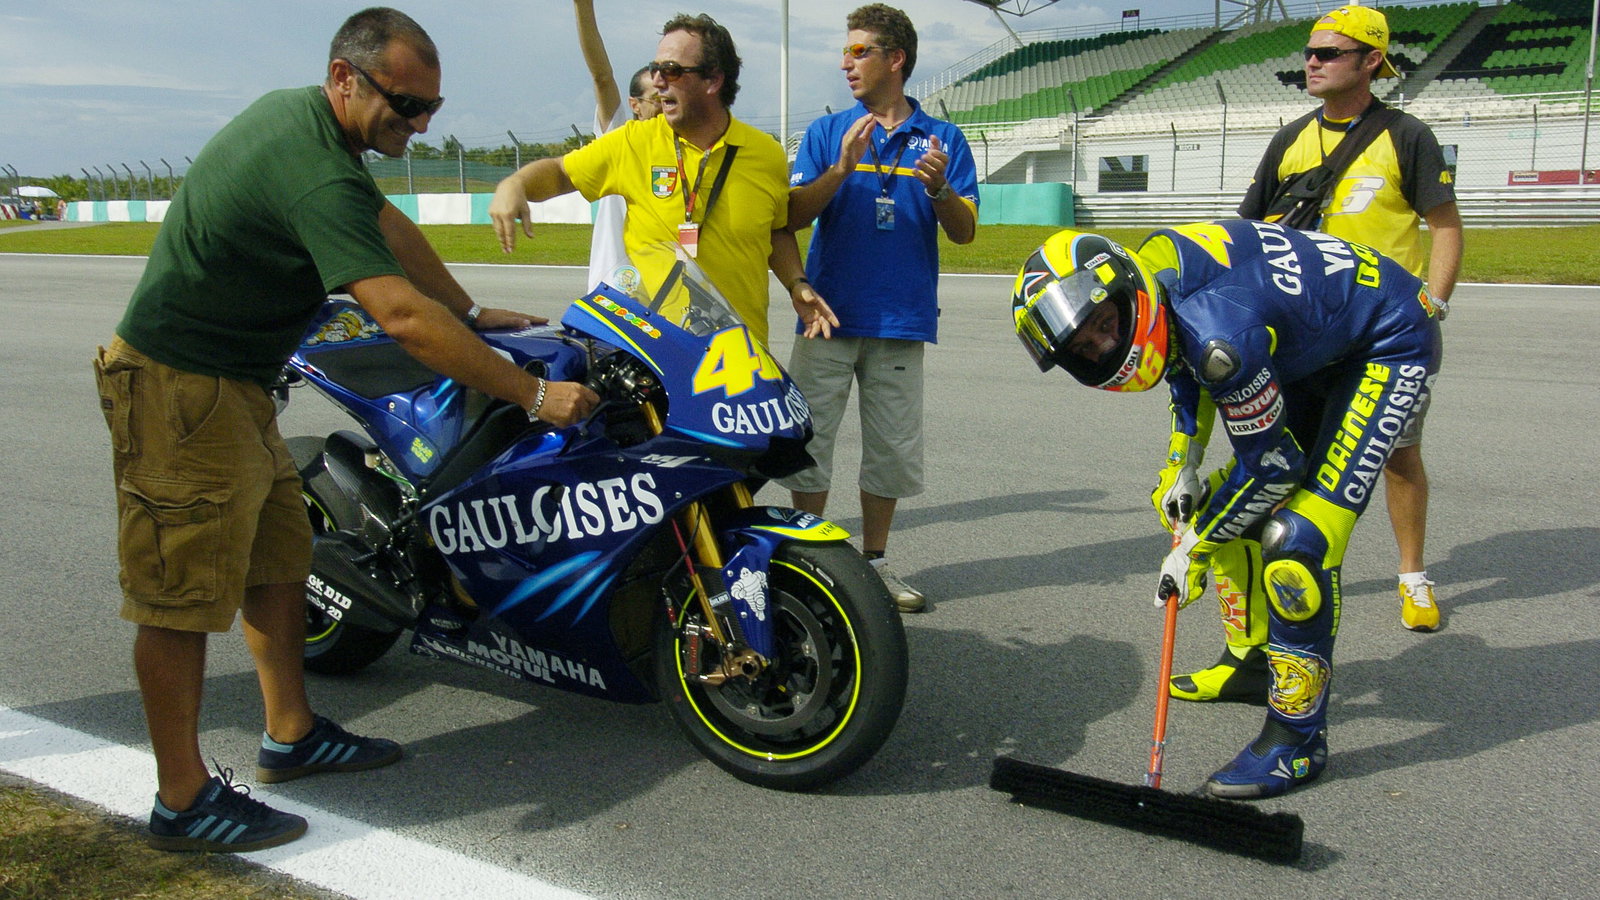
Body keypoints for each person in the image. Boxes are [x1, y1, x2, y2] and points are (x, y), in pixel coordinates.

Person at [92, 7, 597, 853]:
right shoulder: (311, 168)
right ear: (345, 79)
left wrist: (470, 311)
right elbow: (397, 315)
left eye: (432, 107)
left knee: (281, 560)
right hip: (177, 386)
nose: (421, 122)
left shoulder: (321, 135)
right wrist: (530, 393)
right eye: (405, 104)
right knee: (179, 599)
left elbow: (390, 232)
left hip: (237, 387)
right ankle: (180, 798)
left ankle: (290, 733)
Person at [1011, 219, 1443, 798]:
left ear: (1121, 290)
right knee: (1216, 502)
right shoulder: (1158, 278)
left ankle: (1298, 740)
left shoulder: (1220, 333)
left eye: (1105, 325)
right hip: (1317, 340)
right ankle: (1254, 660)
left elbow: (1272, 466)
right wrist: (1182, 464)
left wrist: (1195, 550)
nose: (1105, 346)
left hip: (1387, 338)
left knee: (1297, 540)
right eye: (1085, 347)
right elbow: (1180, 366)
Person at [1232, 4, 1461, 649]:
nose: (1311, 62)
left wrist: (1433, 303)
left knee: (1399, 455)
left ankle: (1412, 576)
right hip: (1303, 337)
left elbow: (1445, 226)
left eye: (1328, 54)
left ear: (1370, 63)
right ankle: (1296, 563)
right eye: (1309, 52)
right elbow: (1246, 233)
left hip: (1385, 337)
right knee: (1291, 460)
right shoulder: (1291, 138)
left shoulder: (1406, 136)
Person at [779, 3, 977, 613]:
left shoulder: (943, 139)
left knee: (889, 450)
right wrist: (840, 167)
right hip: (826, 318)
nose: (847, 62)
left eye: (860, 51)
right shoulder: (826, 132)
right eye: (845, 51)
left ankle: (875, 566)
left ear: (897, 59)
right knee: (809, 443)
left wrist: (939, 188)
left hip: (900, 320)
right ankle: (810, 564)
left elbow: (966, 231)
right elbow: (791, 216)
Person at [490, 12, 836, 348]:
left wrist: (796, 284)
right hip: (655, 355)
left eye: (670, 71)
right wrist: (515, 184)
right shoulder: (634, 141)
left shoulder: (765, 154)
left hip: (741, 356)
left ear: (713, 80)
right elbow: (561, 172)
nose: (657, 81)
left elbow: (775, 231)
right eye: (656, 69)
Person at [574, 0, 662, 291]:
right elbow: (602, 76)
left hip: (665, 303)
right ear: (634, 104)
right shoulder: (619, 137)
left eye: (669, 96)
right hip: (612, 297)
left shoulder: (688, 150)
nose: (664, 105)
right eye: (656, 99)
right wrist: (583, 7)